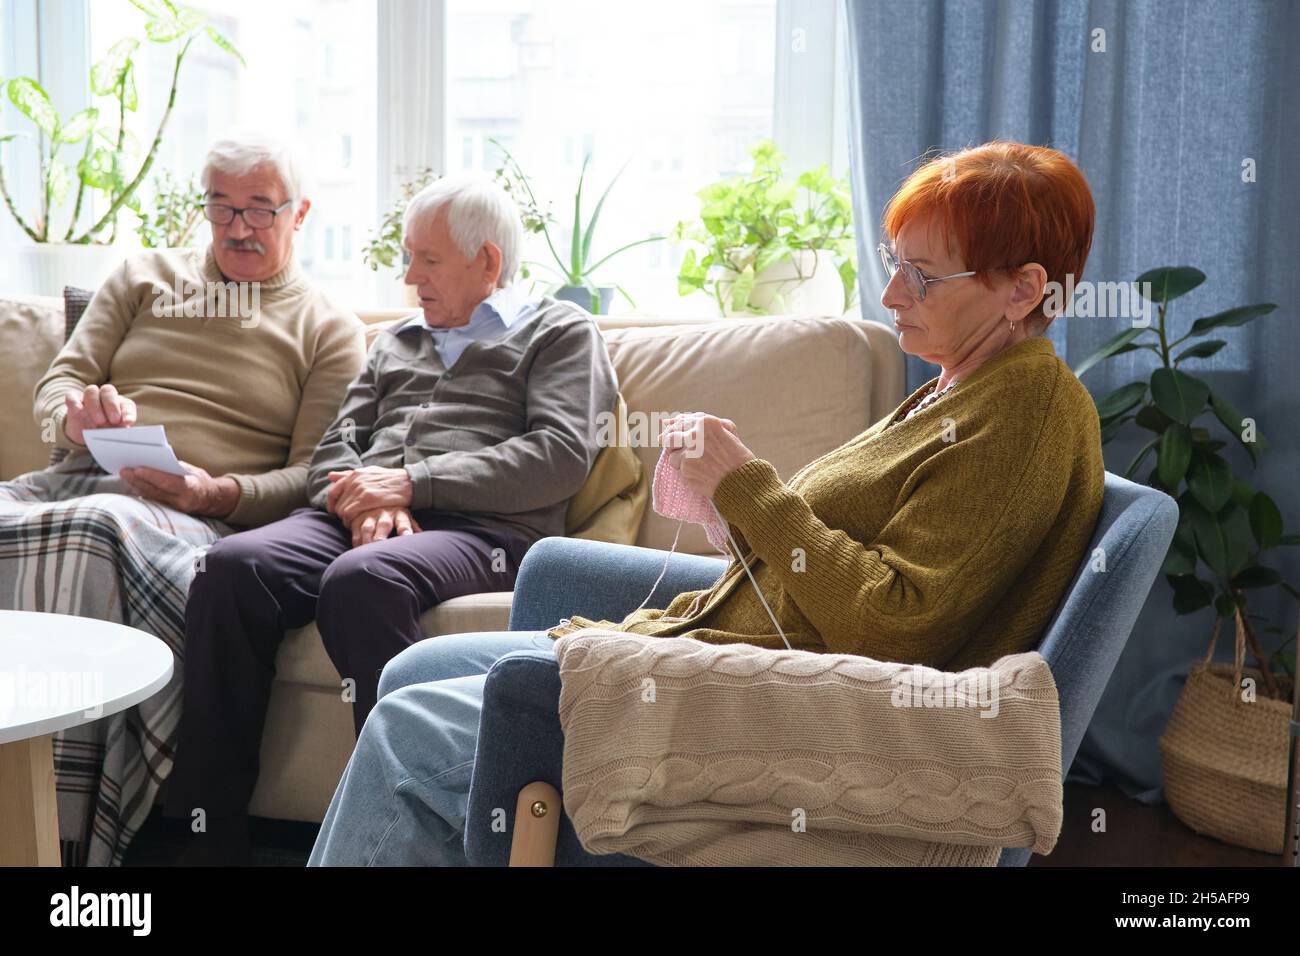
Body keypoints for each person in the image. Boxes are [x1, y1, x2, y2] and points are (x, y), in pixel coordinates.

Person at [306, 140, 1110, 867]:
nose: (893, 291)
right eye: (892, 261)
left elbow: (894, 622)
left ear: (1024, 289)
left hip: (761, 707)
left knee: (407, 735)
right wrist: (741, 522)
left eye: (924, 275)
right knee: (409, 674)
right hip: (715, 654)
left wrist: (745, 486)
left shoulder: (1025, 409)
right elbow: (843, 565)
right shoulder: (956, 390)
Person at [164, 173, 619, 864]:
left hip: (487, 532)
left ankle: (403, 841)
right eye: (408, 258)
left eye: (426, 260)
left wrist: (410, 484)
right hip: (359, 515)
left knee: (364, 581)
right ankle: (205, 841)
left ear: (487, 262)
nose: (409, 277)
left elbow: (557, 456)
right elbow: (332, 452)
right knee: (230, 568)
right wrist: (361, 496)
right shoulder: (395, 341)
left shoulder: (558, 331)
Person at [0, 134, 366, 866]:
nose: (238, 229)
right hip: (76, 484)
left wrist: (215, 489)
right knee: (79, 517)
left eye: (260, 211)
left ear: (301, 216)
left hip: (195, 521)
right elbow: (60, 382)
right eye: (222, 208)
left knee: (95, 531)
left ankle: (62, 845)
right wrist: (75, 416)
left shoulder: (329, 330)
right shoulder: (142, 276)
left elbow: (312, 480)